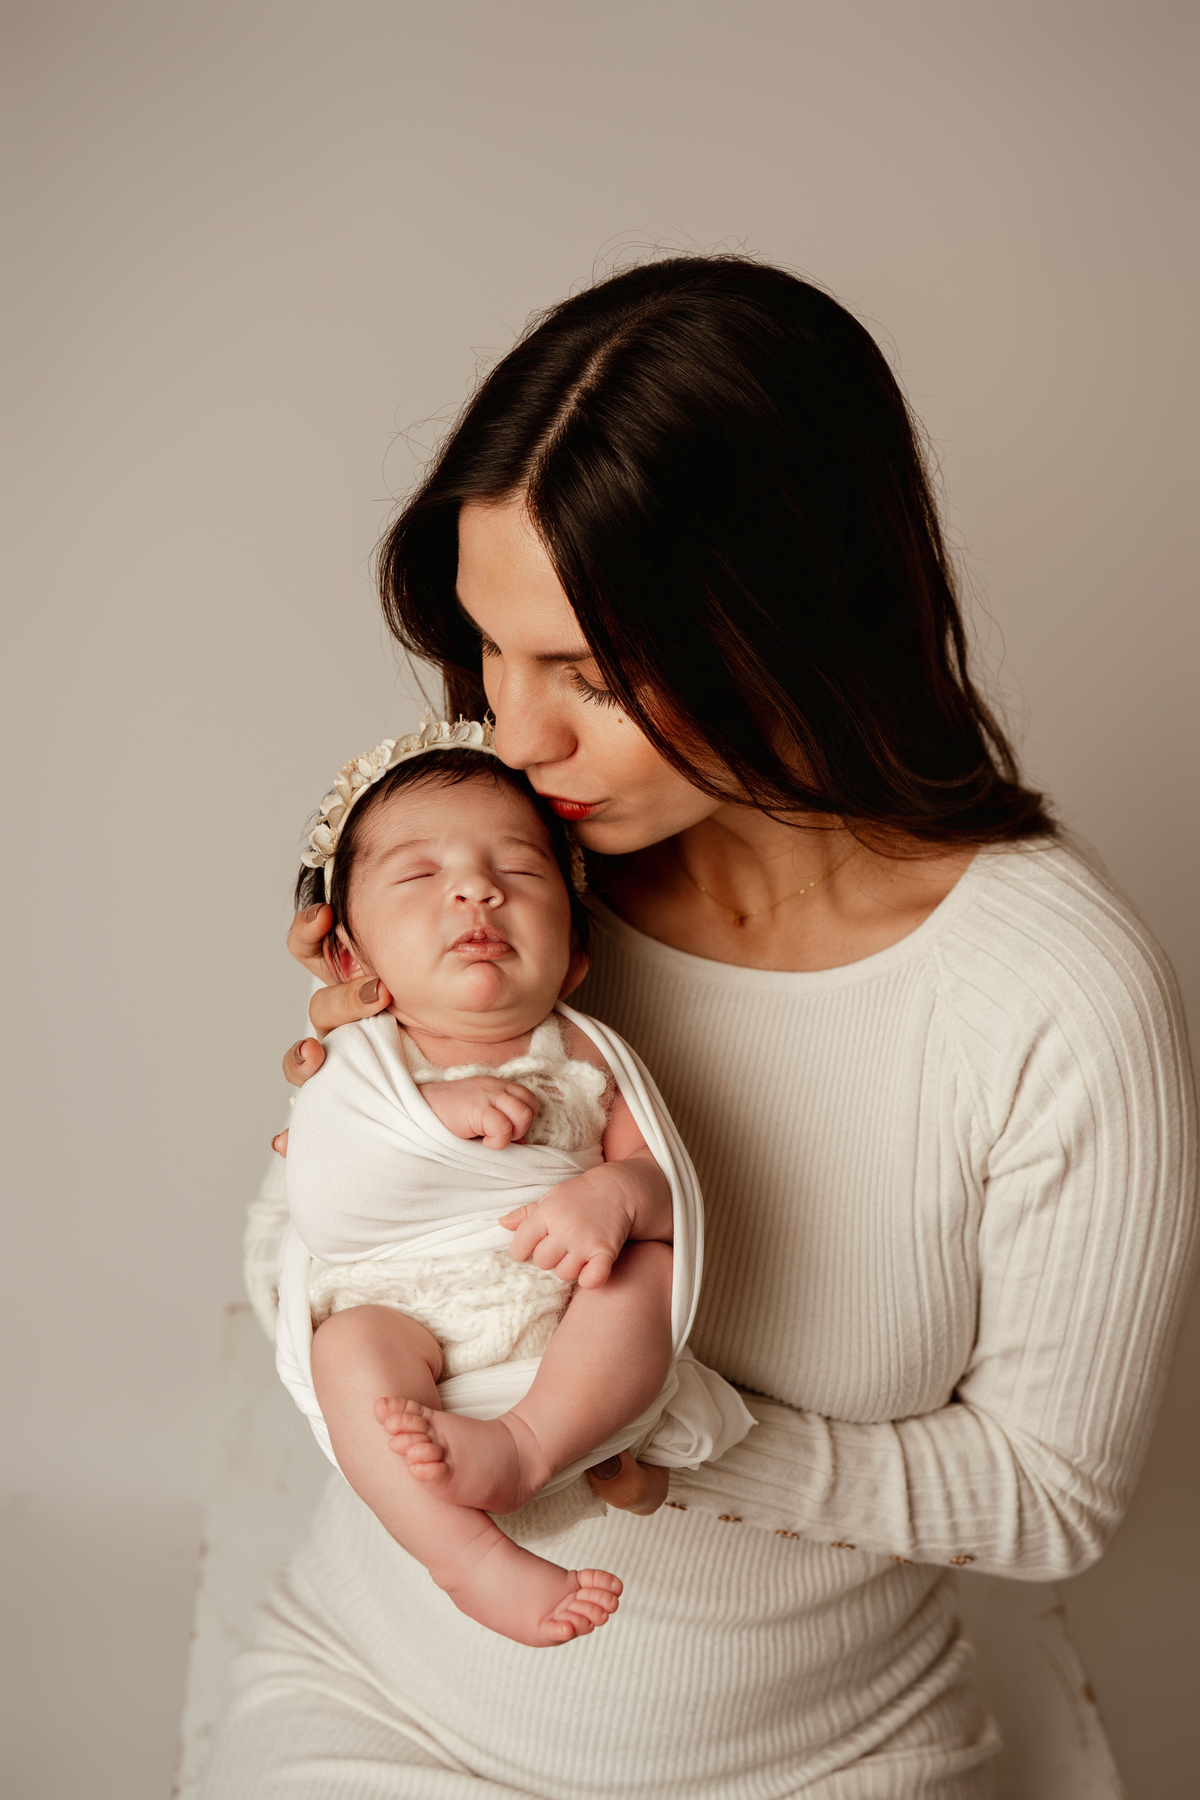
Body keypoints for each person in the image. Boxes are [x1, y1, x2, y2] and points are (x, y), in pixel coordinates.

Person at [211, 257, 1197, 1798]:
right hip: (382, 1706)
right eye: (488, 651)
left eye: (590, 675)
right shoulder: (530, 886)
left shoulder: (1048, 996)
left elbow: (1052, 1500)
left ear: (799, 625)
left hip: (826, 1758)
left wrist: (660, 1428)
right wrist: (368, 1125)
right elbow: (321, 1265)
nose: (514, 736)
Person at [275, 721, 751, 1647]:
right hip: (404, 1311)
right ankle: (469, 1560)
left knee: (638, 1275)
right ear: (352, 964)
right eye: (418, 875)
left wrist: (614, 1197)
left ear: (574, 957)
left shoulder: (583, 1051)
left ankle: (530, 1446)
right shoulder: (353, 1060)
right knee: (349, 1353)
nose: (476, 888)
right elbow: (326, 1200)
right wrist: (430, 1117)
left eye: (522, 873)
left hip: (562, 1326)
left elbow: (667, 1193)